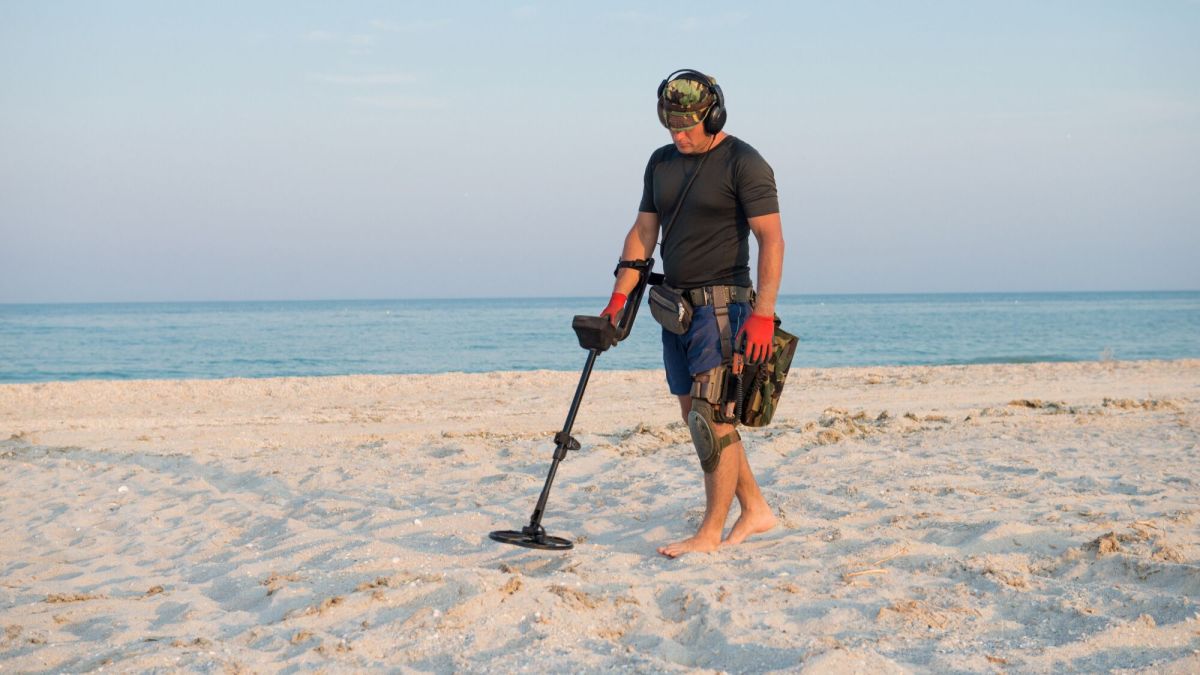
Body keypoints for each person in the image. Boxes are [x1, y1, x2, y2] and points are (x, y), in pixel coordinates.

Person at [601, 69, 785, 557]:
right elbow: (643, 232)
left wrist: (763, 313)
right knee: (697, 418)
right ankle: (757, 510)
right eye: (671, 127)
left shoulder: (745, 163)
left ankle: (709, 533)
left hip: (725, 308)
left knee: (714, 417)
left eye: (687, 126)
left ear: (714, 114)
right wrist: (618, 299)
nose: (678, 136)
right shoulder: (660, 162)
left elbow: (772, 239)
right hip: (675, 310)